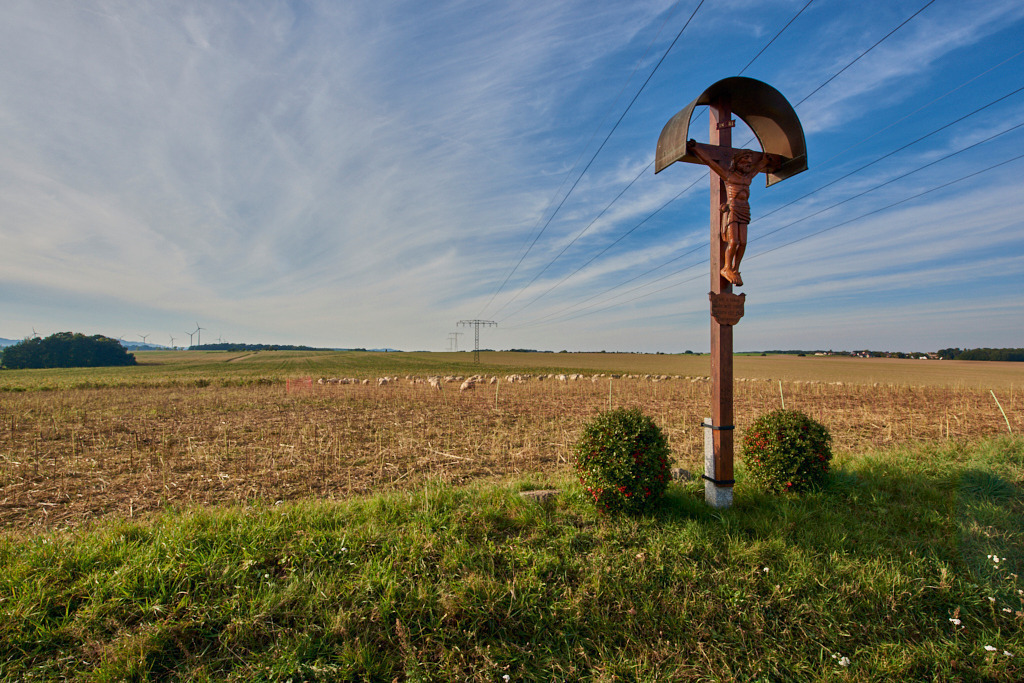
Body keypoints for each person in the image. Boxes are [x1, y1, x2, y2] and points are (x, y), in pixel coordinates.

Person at [687, 139, 775, 286]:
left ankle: (735, 269)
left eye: (750, 160)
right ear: (737, 161)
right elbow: (710, 162)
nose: (748, 162)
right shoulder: (729, 175)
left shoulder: (747, 177)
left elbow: (757, 168)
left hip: (744, 208)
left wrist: (764, 161)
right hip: (733, 208)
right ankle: (726, 267)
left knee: (744, 242)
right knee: (734, 241)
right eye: (745, 159)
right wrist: (696, 149)